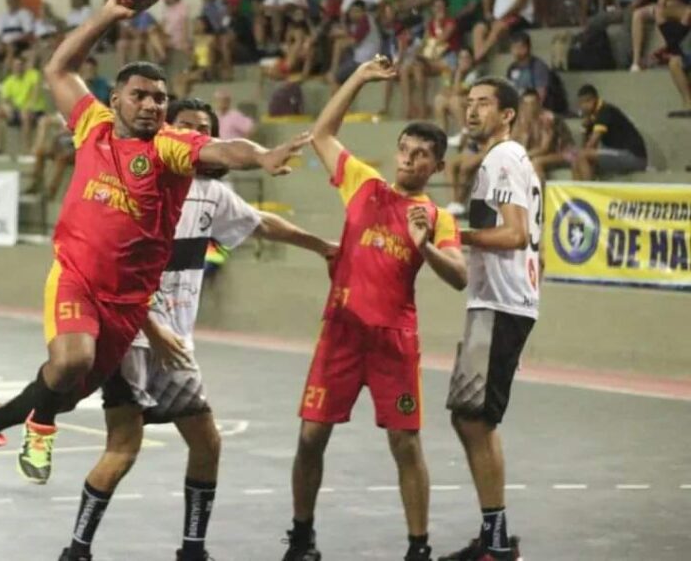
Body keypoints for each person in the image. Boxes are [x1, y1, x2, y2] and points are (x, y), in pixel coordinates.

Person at [0, 0, 311, 488]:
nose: (152, 104)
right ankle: (41, 427)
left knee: (63, 388)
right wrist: (112, 13)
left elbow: (223, 148)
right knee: (70, 361)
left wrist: (261, 155)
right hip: (77, 276)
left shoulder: (169, 147)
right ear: (115, 100)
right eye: (140, 95)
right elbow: (58, 66)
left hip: (128, 302)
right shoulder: (91, 126)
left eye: (160, 98)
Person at [63, 98, 336, 561]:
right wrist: (150, 328)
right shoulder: (141, 177)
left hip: (165, 338)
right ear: (169, 131)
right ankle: (86, 550)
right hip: (141, 335)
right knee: (131, 444)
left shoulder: (209, 191)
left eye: (205, 132)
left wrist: (321, 246)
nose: (196, 138)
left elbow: (261, 223)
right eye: (186, 127)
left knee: (188, 442)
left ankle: (157, 549)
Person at [283, 58, 467, 561]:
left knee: (406, 446)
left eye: (422, 155)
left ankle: (418, 548)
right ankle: (301, 539)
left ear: (437, 167)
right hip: (340, 334)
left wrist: (424, 246)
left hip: (393, 342)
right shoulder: (363, 185)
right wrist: (360, 79)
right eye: (405, 150)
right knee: (310, 438)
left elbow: (460, 276)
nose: (409, 160)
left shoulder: (437, 217)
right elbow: (322, 133)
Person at [439, 77, 540, 561]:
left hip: (501, 304)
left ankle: (497, 544)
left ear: (507, 114)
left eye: (484, 104)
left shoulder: (502, 158)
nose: (472, 110)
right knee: (468, 417)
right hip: (494, 302)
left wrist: (457, 235)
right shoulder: (504, 159)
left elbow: (515, 234)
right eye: (469, 102)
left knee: (475, 419)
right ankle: (493, 535)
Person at [573, 84, 648, 179]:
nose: (583, 106)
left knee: (581, 156)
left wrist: (582, 151)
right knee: (576, 160)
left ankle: (588, 192)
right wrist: (584, 128)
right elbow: (585, 147)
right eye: (581, 103)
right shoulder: (592, 116)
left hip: (633, 157)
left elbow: (591, 145)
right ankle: (575, 193)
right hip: (617, 154)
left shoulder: (605, 111)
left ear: (594, 99)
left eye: (587, 102)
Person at [0, 54, 47, 154]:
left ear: (24, 66)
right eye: (15, 65)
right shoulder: (8, 81)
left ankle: (27, 148)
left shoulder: (34, 74)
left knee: (25, 114)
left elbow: (35, 96)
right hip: (17, 111)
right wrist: (7, 108)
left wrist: (28, 107)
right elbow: (4, 100)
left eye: (19, 65)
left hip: (36, 110)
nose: (17, 67)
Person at [504, 31, 550, 105]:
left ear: (527, 47)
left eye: (520, 47)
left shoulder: (538, 66)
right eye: (514, 47)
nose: (516, 51)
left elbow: (541, 95)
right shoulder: (512, 68)